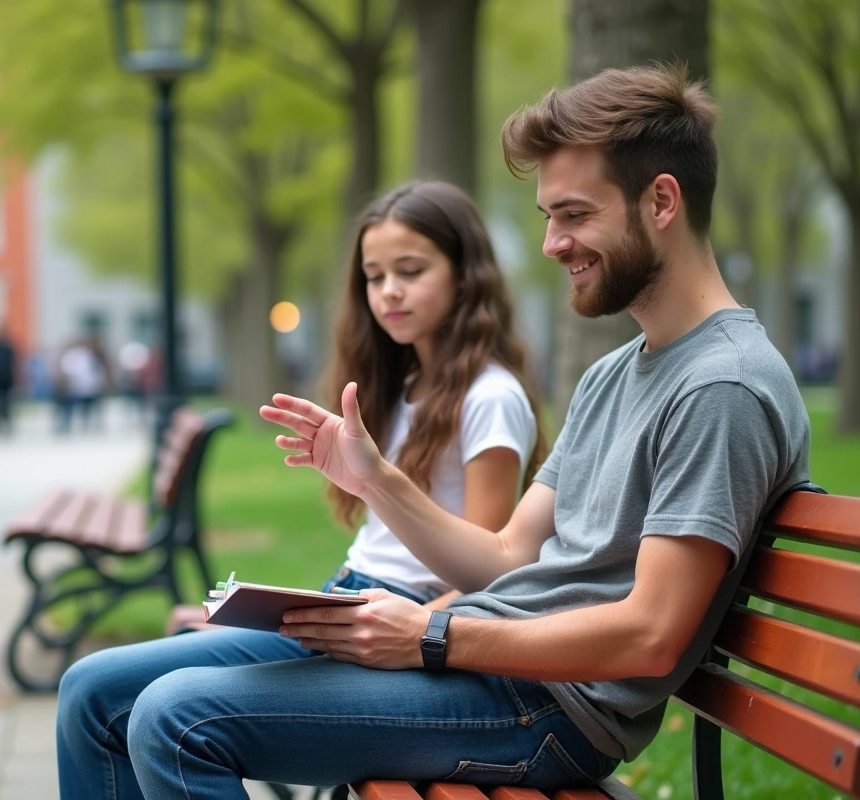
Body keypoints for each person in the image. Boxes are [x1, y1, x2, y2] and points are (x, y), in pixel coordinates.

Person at [117, 65, 813, 798]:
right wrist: (375, 480)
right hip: (492, 669)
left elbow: (650, 635)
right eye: (548, 216)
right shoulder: (616, 374)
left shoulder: (722, 387)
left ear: (662, 200)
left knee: (174, 718)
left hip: (548, 708)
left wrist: (431, 637)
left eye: (573, 215)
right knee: (111, 700)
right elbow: (509, 553)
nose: (552, 243)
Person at [55, 180, 549, 799]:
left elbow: (491, 573)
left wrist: (407, 627)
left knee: (160, 714)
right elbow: (375, 553)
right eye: (374, 276)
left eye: (411, 270)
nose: (389, 290)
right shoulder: (403, 385)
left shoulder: (491, 397)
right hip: (339, 606)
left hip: (404, 630)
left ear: (465, 274)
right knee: (87, 688)